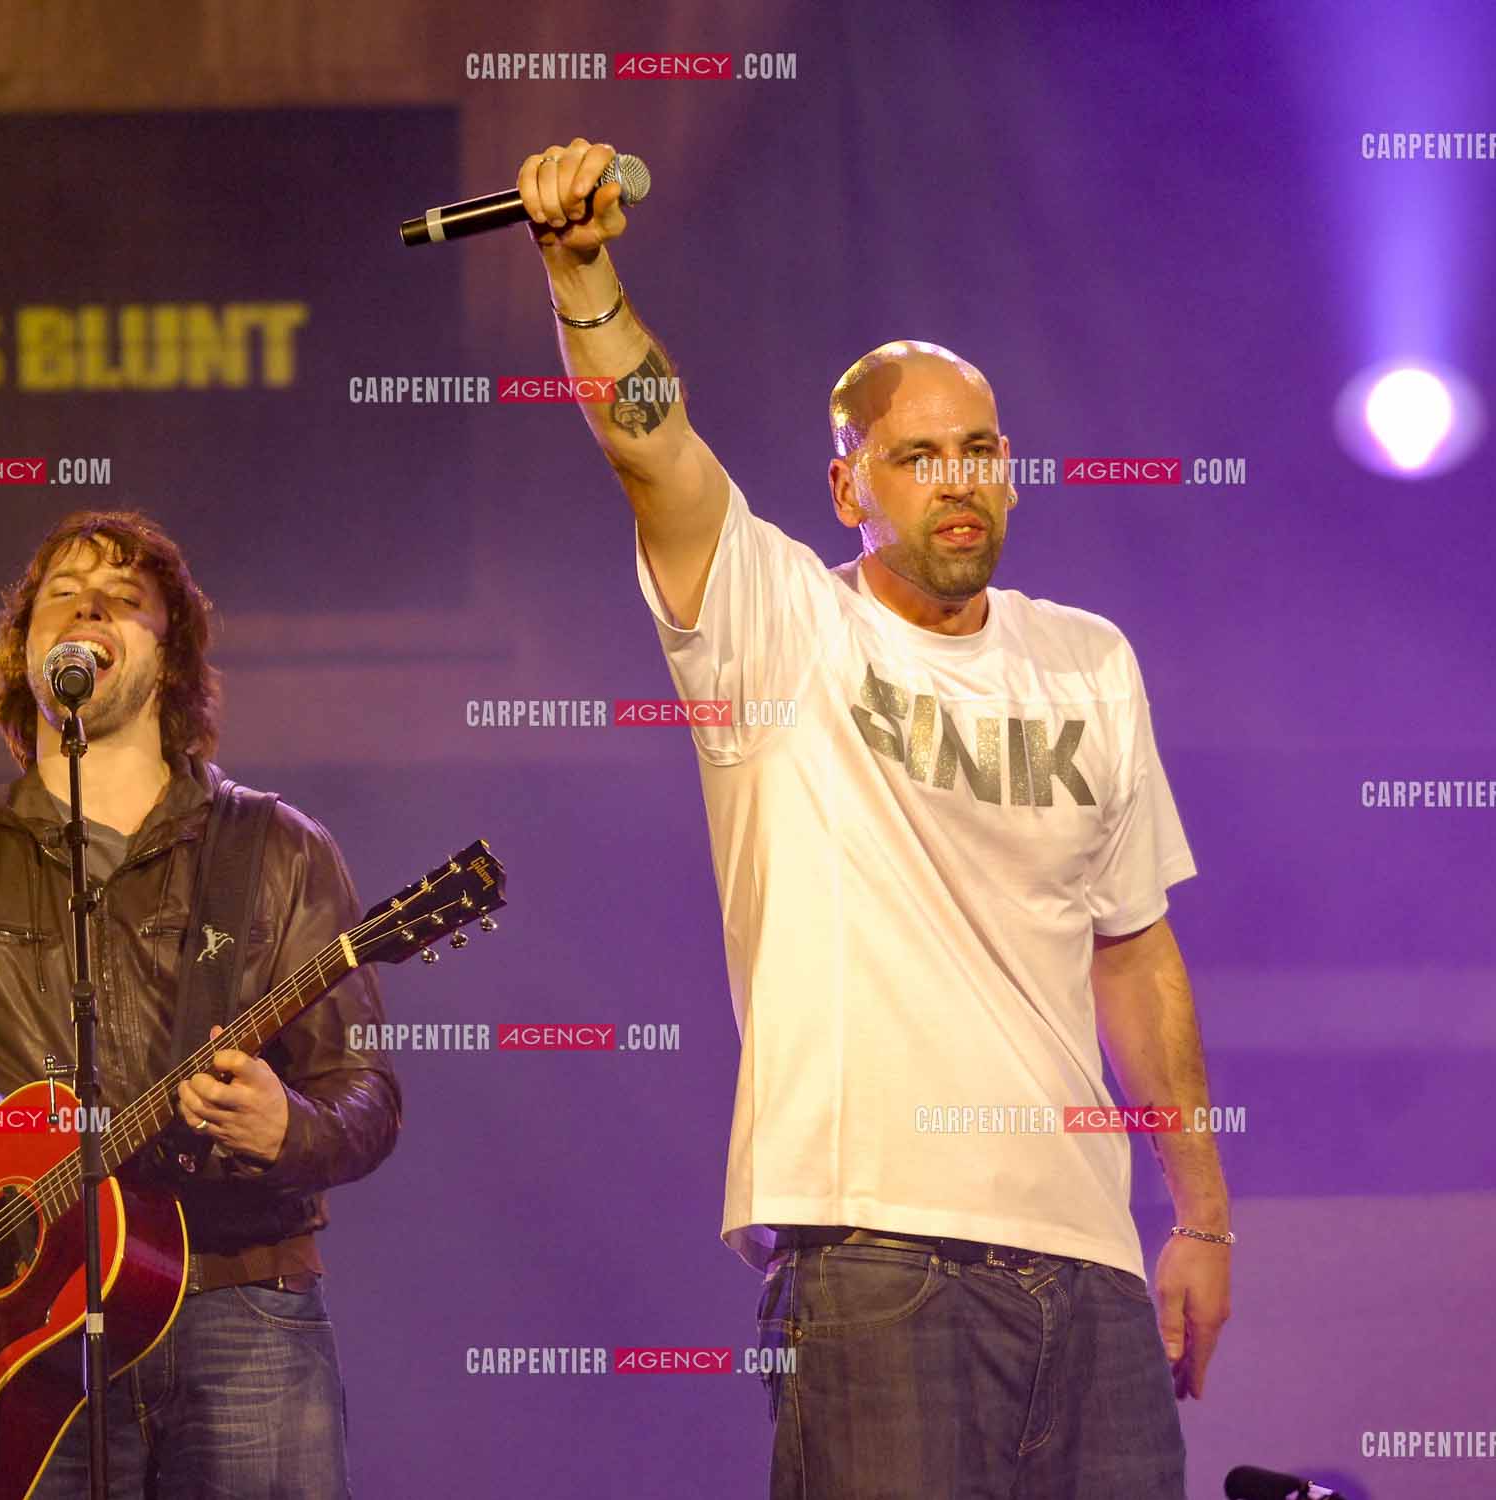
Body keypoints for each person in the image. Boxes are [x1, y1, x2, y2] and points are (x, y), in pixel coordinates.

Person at [516, 137, 1230, 1498]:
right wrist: (580, 267)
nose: (956, 481)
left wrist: (1200, 1216)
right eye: (915, 458)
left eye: (978, 452)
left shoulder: (1089, 659)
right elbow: (649, 441)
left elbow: (1132, 951)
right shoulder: (776, 626)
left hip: (1086, 1259)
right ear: (849, 489)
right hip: (872, 1251)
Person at [0, 510, 399, 1498]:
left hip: (246, 1313)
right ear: (24, 652)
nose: (90, 602)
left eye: (125, 599)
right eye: (62, 594)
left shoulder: (276, 850)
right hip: (21, 1348)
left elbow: (365, 1093)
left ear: (170, 660)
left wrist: (290, 1128)